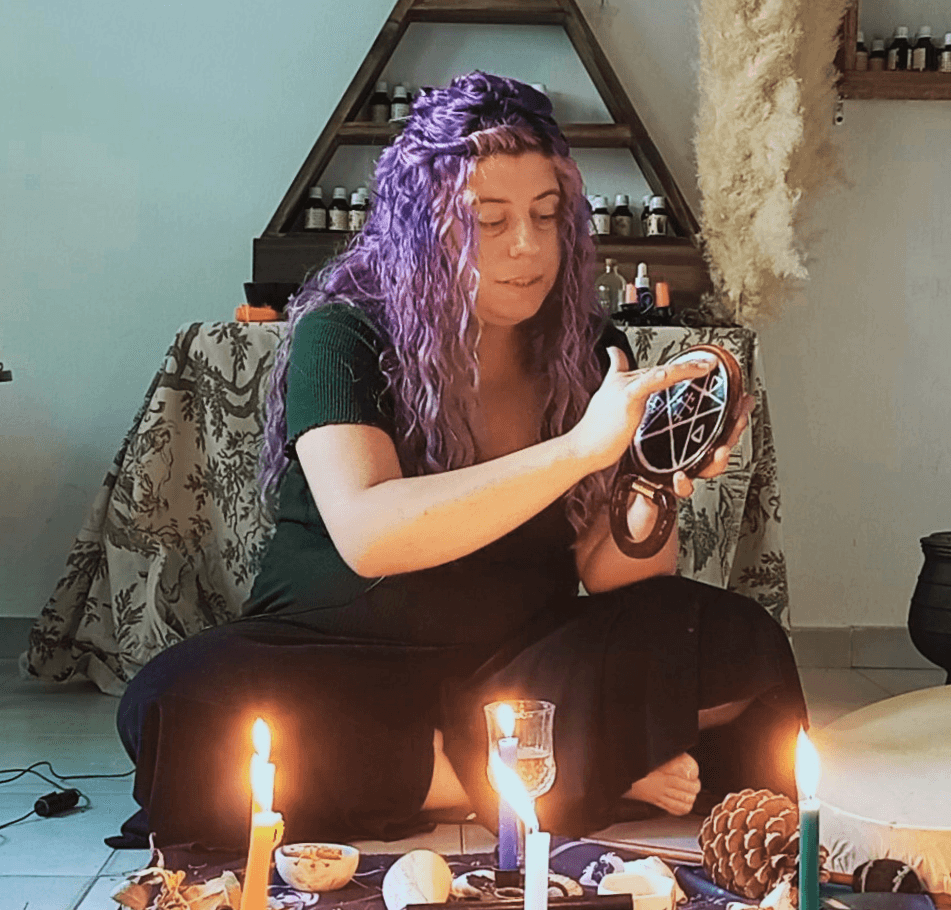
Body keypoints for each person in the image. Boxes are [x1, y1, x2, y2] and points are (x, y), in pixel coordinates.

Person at [110, 72, 806, 851]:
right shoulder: (342, 334)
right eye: (488, 220)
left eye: (546, 215)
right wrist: (579, 451)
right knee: (177, 707)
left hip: (518, 666)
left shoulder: (586, 351)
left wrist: (650, 481)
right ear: (422, 226)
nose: (527, 246)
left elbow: (615, 576)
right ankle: (526, 776)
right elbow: (371, 533)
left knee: (738, 641)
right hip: (336, 656)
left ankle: (511, 765)